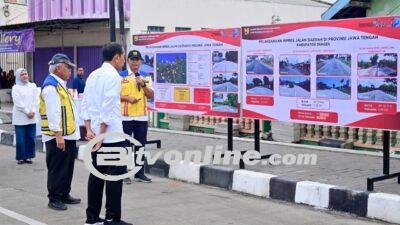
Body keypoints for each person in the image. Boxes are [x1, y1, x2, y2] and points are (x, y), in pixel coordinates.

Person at [81, 42, 132, 225]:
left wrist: (89, 129)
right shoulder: (113, 76)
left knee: (96, 176)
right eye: (124, 56)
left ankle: (92, 217)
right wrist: (101, 135)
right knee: (113, 179)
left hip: (95, 135)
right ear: (117, 57)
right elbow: (108, 107)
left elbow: (84, 103)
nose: (124, 60)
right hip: (109, 137)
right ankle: (112, 218)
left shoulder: (93, 75)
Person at [39, 53, 81, 211]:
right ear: (58, 68)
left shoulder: (60, 83)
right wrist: (58, 136)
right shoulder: (51, 86)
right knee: (57, 167)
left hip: (68, 134)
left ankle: (64, 194)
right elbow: (53, 112)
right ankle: (54, 198)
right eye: (68, 67)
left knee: (67, 167)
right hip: (57, 136)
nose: (70, 70)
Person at [120, 50, 154, 184]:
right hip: (125, 117)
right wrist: (127, 98)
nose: (135, 62)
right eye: (132, 59)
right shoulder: (120, 76)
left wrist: (143, 84)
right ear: (128, 61)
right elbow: (113, 95)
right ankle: (123, 172)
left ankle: (139, 173)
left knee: (140, 146)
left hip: (141, 117)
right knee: (125, 146)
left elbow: (151, 95)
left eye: (137, 59)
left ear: (140, 61)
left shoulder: (145, 76)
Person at [11, 68, 38, 164]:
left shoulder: (33, 86)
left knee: (31, 138)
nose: (25, 76)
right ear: (18, 76)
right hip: (20, 118)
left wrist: (33, 111)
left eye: (26, 73)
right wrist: (27, 112)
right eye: (22, 74)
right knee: (21, 140)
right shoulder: (16, 88)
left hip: (32, 117)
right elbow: (18, 103)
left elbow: (36, 100)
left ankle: (29, 156)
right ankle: (21, 157)